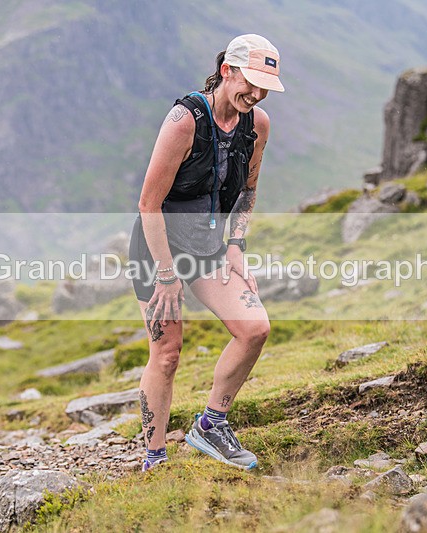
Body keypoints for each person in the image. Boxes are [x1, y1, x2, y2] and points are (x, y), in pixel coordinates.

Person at [128, 34, 284, 471]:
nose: (255, 93)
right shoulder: (184, 120)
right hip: (157, 246)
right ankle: (154, 459)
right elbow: (148, 204)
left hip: (208, 248)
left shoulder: (258, 125)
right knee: (167, 352)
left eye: (265, 86)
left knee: (254, 328)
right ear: (227, 70)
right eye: (250, 81)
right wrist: (165, 274)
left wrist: (236, 246)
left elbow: (248, 190)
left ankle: (211, 426)